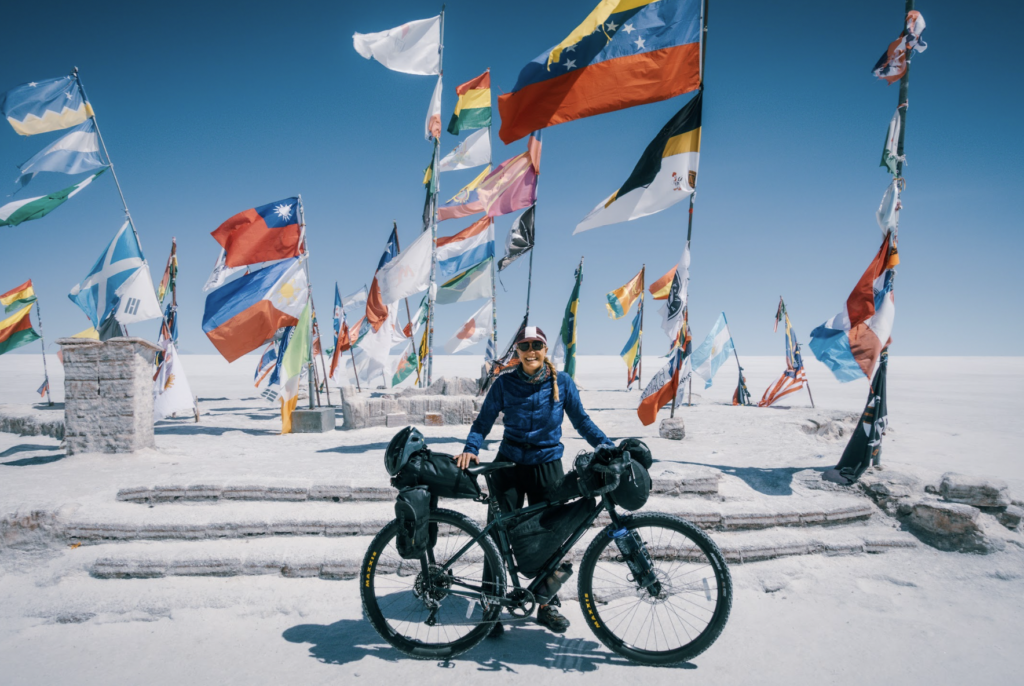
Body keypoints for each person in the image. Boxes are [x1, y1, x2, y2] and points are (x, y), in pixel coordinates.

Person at [454, 326, 612, 636]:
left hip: (546, 464)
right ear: (517, 351)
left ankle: (546, 604)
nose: (530, 351)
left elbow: (581, 420)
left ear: (543, 349)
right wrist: (471, 449)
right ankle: (492, 605)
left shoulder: (561, 382)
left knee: (550, 534)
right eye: (524, 345)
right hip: (508, 464)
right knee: (496, 537)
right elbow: (483, 420)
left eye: (536, 345)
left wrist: (606, 446)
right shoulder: (504, 383)